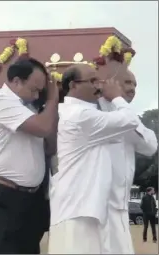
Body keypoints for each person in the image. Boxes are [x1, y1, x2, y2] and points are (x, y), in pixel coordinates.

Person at [48, 64, 142, 254]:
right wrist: (116, 96)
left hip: (85, 208)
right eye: (92, 81)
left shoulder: (86, 114)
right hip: (77, 209)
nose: (98, 85)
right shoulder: (80, 115)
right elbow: (131, 120)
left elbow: (146, 140)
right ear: (73, 85)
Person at [0, 58, 58, 254]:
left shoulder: (29, 109)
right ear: (16, 81)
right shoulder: (0, 100)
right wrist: (52, 100)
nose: (37, 94)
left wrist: (47, 107)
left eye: (41, 90)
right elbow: (42, 128)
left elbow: (50, 147)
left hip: (29, 198)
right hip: (4, 195)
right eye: (34, 89)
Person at [98, 69, 158, 253]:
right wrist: (118, 103)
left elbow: (150, 146)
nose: (132, 89)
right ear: (109, 83)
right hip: (98, 206)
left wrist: (121, 107)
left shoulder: (127, 115)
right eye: (127, 83)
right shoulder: (96, 112)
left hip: (120, 205)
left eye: (135, 85)